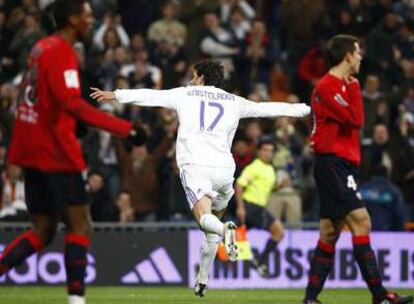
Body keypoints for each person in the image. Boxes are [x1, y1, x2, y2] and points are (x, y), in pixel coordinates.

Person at [90, 59, 310, 297]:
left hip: (196, 166)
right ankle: (203, 279)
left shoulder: (186, 94)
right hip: (225, 169)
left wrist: (116, 94)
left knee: (205, 219)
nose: (191, 80)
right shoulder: (235, 101)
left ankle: (227, 232)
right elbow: (267, 108)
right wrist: (304, 109)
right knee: (211, 227)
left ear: (201, 78)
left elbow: (151, 96)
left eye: (194, 76)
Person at [0, 1, 146, 304]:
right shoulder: (62, 51)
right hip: (55, 152)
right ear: (72, 20)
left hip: (32, 151)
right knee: (81, 224)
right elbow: (73, 103)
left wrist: (18, 153)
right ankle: (76, 301)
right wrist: (124, 127)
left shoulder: (40, 48)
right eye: (88, 16)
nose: (92, 21)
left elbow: (30, 100)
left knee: (43, 230)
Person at [303, 34, 413, 304]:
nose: (361, 56)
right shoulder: (328, 86)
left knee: (330, 231)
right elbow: (357, 119)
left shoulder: (343, 85)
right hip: (332, 163)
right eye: (357, 52)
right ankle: (380, 296)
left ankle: (310, 299)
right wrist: (353, 89)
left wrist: (352, 88)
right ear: (347, 56)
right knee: (362, 222)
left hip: (342, 164)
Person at [235, 140, 285, 278]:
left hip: (259, 208)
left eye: (271, 150)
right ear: (259, 152)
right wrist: (240, 207)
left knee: (234, 240)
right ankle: (260, 262)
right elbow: (239, 186)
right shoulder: (254, 167)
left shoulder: (270, 169)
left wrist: (278, 187)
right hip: (250, 207)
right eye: (265, 150)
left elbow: (265, 188)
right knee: (279, 232)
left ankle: (205, 265)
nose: (268, 153)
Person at [360, 165, 405, 231]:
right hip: (386, 232)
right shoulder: (392, 190)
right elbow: (399, 214)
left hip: (365, 231)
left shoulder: (362, 189)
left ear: (372, 174)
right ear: (387, 174)